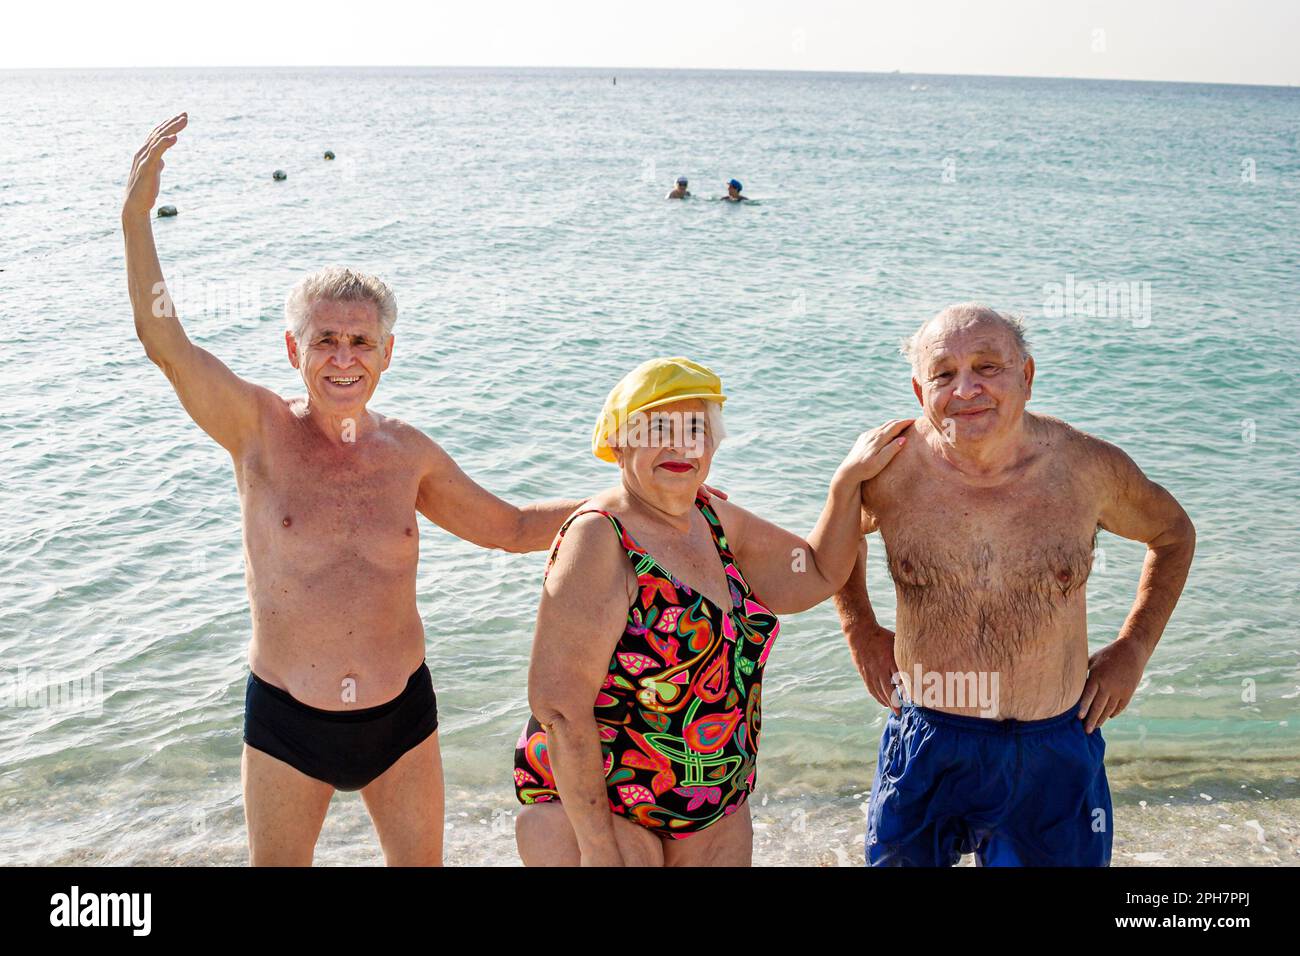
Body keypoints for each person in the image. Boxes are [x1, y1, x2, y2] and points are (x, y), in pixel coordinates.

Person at [122, 113, 586, 866]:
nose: (343, 357)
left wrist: (635, 503)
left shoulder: (408, 454)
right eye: (325, 340)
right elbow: (165, 344)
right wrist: (136, 218)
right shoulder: (257, 430)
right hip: (285, 722)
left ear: (387, 352)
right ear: (292, 349)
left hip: (401, 719)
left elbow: (511, 526)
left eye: (360, 341)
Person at [833, 304, 1196, 866]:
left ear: (1025, 376)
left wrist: (1134, 648)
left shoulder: (1087, 468)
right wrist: (860, 628)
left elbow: (1173, 535)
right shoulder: (885, 472)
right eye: (944, 374)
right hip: (928, 738)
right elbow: (837, 538)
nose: (966, 389)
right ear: (918, 389)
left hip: (1051, 743)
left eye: (987, 366)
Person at [513, 357, 910, 865]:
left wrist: (847, 481)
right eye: (660, 428)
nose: (682, 445)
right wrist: (597, 849)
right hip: (605, 814)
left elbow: (813, 572)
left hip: (713, 807)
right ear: (618, 441)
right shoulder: (598, 537)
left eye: (696, 428)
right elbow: (560, 709)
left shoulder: (711, 518)